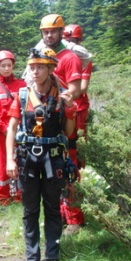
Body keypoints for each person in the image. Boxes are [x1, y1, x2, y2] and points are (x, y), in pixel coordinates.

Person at [5, 48, 76, 261]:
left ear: (50, 69)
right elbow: (11, 129)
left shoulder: (62, 97)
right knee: (30, 210)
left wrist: (71, 113)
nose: (35, 72)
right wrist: (9, 159)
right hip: (28, 160)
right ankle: (32, 258)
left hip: (53, 158)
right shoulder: (23, 96)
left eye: (40, 68)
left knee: (53, 209)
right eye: (32, 67)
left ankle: (52, 258)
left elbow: (68, 132)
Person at [38, 14, 85, 228]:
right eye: (46, 32)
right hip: (45, 120)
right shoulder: (41, 57)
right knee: (50, 171)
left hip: (63, 119)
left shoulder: (69, 58)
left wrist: (60, 100)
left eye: (53, 31)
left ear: (60, 32)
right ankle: (58, 217)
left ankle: (74, 219)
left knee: (68, 168)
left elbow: (75, 90)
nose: (49, 35)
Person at [0, 50, 26, 204]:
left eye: (9, 65)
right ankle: (4, 198)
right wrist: (4, 128)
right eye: (3, 66)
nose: (7, 68)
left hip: (20, 134)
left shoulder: (22, 85)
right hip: (1, 135)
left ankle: (19, 196)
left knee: (21, 163)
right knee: (2, 165)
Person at [62, 24, 93, 142]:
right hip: (63, 104)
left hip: (78, 107)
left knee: (76, 142)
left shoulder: (84, 60)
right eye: (67, 41)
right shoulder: (62, 58)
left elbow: (83, 87)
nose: (70, 44)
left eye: (72, 41)